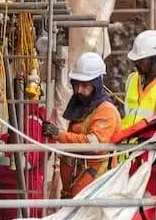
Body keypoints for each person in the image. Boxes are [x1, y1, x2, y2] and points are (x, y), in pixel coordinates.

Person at [41, 51, 122, 197]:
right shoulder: (81, 107)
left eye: (85, 85)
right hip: (75, 189)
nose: (79, 90)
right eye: (76, 85)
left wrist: (59, 134)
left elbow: (94, 145)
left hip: (95, 191)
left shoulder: (105, 110)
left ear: (96, 85)